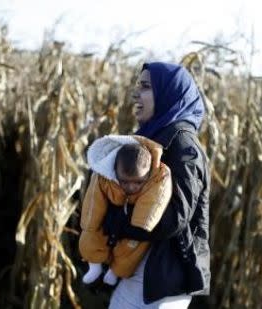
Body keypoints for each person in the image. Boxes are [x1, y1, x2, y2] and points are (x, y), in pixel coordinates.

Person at [106, 62, 211, 308]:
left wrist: (117, 222)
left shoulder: (183, 145)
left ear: (168, 92)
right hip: (142, 271)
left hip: (164, 280)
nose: (135, 94)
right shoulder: (155, 139)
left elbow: (174, 218)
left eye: (145, 87)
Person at [79, 134, 172, 286]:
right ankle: (94, 264)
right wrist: (91, 221)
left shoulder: (158, 177)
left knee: (135, 245)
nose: (131, 187)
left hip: (134, 215)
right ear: (114, 170)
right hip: (110, 209)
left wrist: (141, 222)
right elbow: (93, 199)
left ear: (148, 173)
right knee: (91, 232)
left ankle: (116, 271)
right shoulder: (104, 176)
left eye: (138, 182)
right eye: (124, 182)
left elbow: (155, 199)